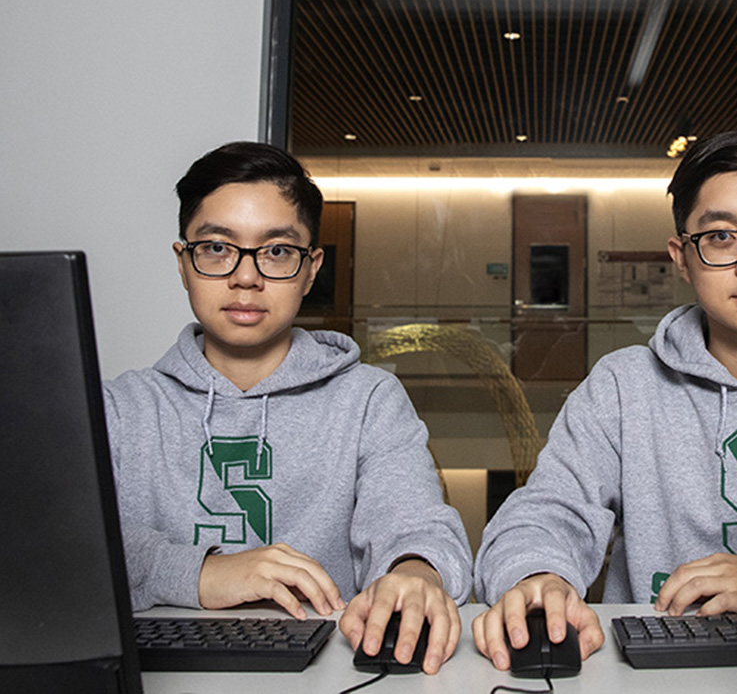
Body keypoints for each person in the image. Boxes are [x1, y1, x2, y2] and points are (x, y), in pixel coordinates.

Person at [472, 131, 737, 670]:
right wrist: (538, 576)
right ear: (682, 258)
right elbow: (546, 511)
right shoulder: (623, 385)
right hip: (658, 672)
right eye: (723, 237)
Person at [103, 141, 472, 674]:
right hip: (155, 674)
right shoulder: (119, 408)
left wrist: (416, 573)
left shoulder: (367, 399)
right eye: (216, 247)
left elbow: (416, 524)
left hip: (327, 676)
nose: (246, 276)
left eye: (276, 251)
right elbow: (65, 554)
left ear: (310, 269)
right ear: (184, 263)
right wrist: (203, 575)